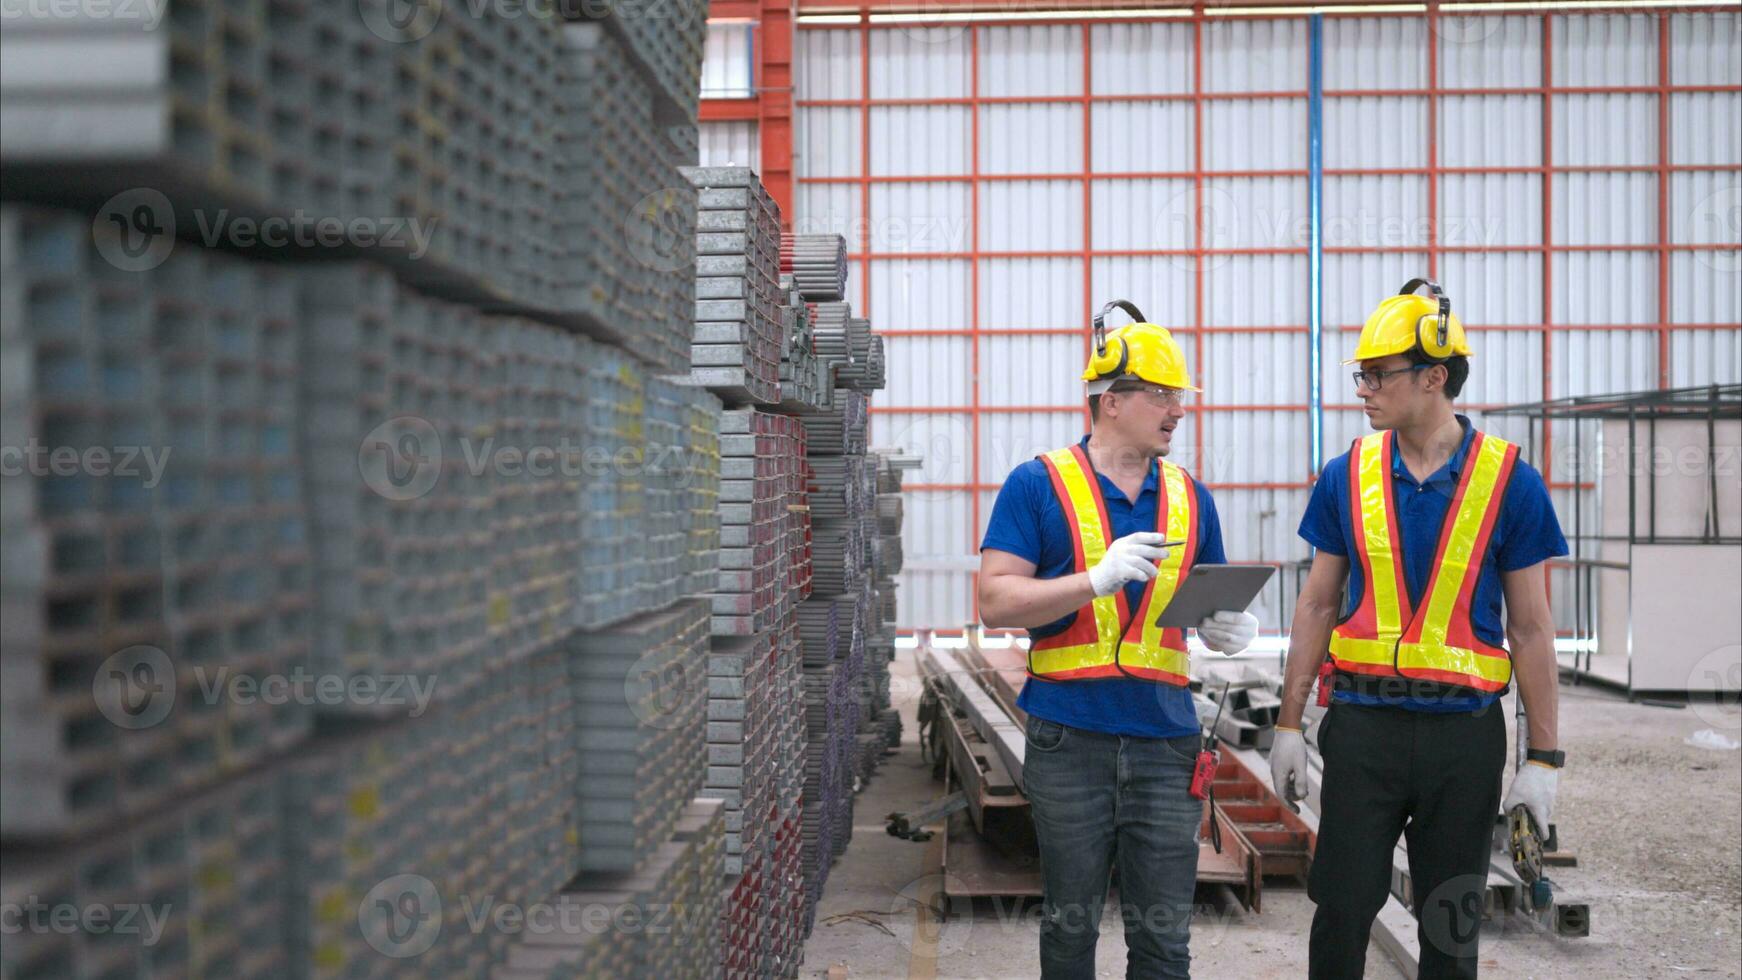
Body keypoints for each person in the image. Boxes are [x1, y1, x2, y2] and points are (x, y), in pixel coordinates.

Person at [1271, 280, 1568, 978]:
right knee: (1340, 913)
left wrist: (1543, 761)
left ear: (1434, 377)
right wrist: (1289, 723)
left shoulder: (1511, 483)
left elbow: (1530, 629)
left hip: (1463, 743)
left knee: (1450, 929)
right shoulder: (1347, 475)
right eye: (1361, 375)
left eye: (1377, 375)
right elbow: (1317, 605)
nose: (1363, 389)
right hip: (1364, 732)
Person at [978, 301, 1260, 980]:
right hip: (1069, 742)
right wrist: (1092, 581)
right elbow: (993, 601)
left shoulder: (1193, 498)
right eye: (1162, 395)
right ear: (1110, 400)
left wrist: (1229, 629)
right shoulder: (1037, 485)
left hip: (1167, 745)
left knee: (1165, 945)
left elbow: (1207, 602)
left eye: (1179, 397)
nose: (1177, 410)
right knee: (1070, 933)